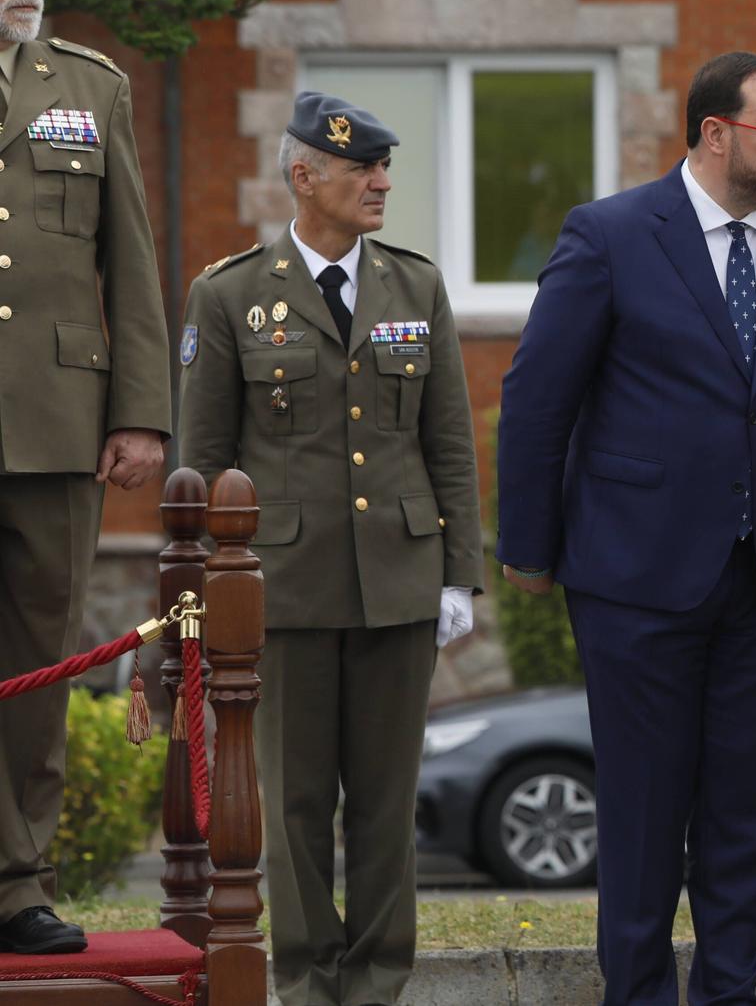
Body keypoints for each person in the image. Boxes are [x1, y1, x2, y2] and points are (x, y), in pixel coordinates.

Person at [497, 52, 756, 1005]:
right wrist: (528, 548)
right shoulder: (612, 233)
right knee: (646, 813)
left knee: (746, 815)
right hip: (634, 576)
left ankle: (729, 992)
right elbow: (539, 395)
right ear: (712, 132)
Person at [177, 92, 482, 1004]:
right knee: (297, 805)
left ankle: (379, 981)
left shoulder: (415, 284)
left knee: (388, 806)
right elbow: (201, 463)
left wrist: (459, 570)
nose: (382, 182)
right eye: (362, 169)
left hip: (398, 579)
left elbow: (450, 440)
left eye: (386, 166)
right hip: (286, 588)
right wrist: (205, 591)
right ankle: (308, 981)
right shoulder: (229, 293)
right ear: (305, 176)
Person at [0, 0, 172, 956]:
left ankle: (22, 885)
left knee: (41, 660)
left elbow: (133, 262)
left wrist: (141, 413)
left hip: (57, 421)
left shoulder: (91, 88)